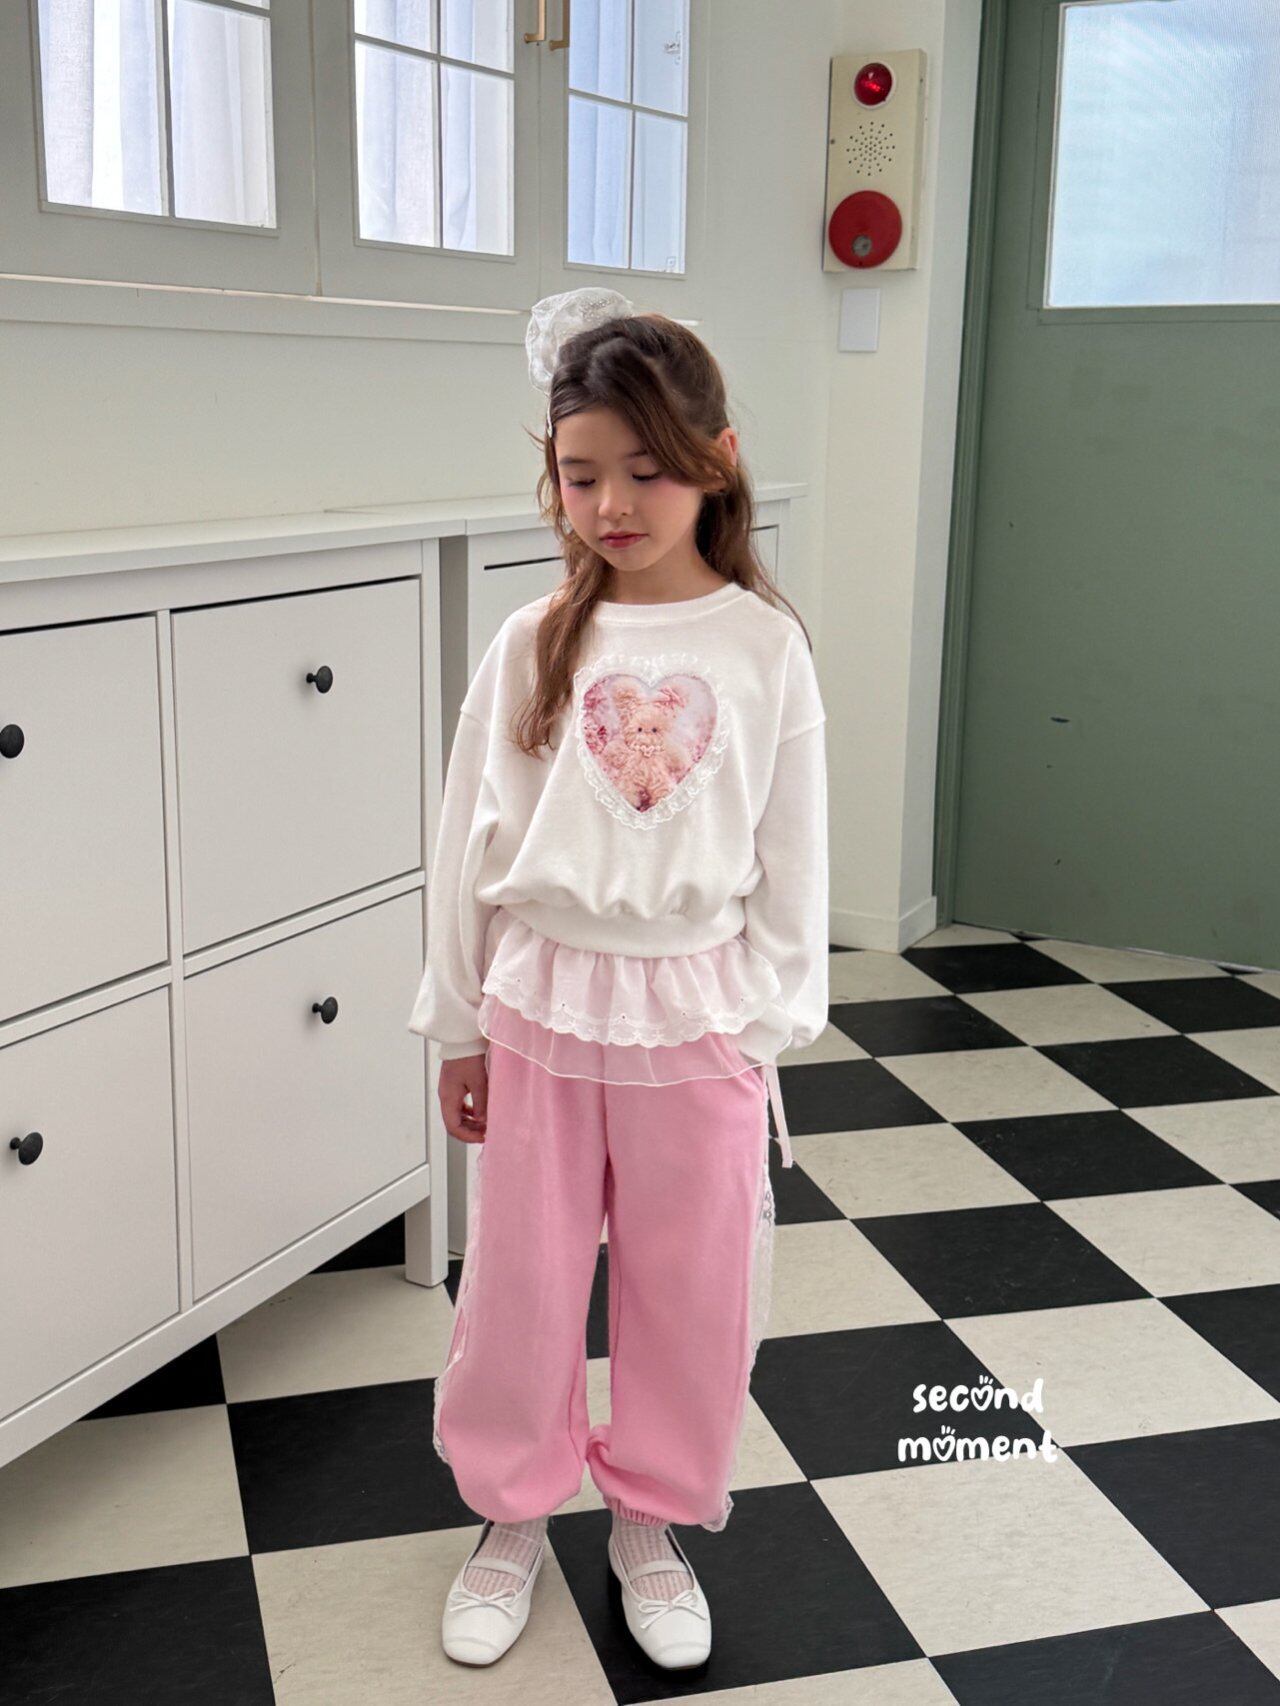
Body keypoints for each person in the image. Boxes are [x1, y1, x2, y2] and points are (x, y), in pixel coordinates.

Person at [408, 286, 829, 1670]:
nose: (612, 504)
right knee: (521, 1281)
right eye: (581, 474)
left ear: (716, 459)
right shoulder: (532, 641)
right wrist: (459, 1023)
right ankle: (514, 1510)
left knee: (691, 1285)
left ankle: (649, 1514)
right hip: (542, 1007)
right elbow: (468, 840)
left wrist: (767, 1020)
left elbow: (792, 850)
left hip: (698, 1017)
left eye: (646, 470)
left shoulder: (763, 646)